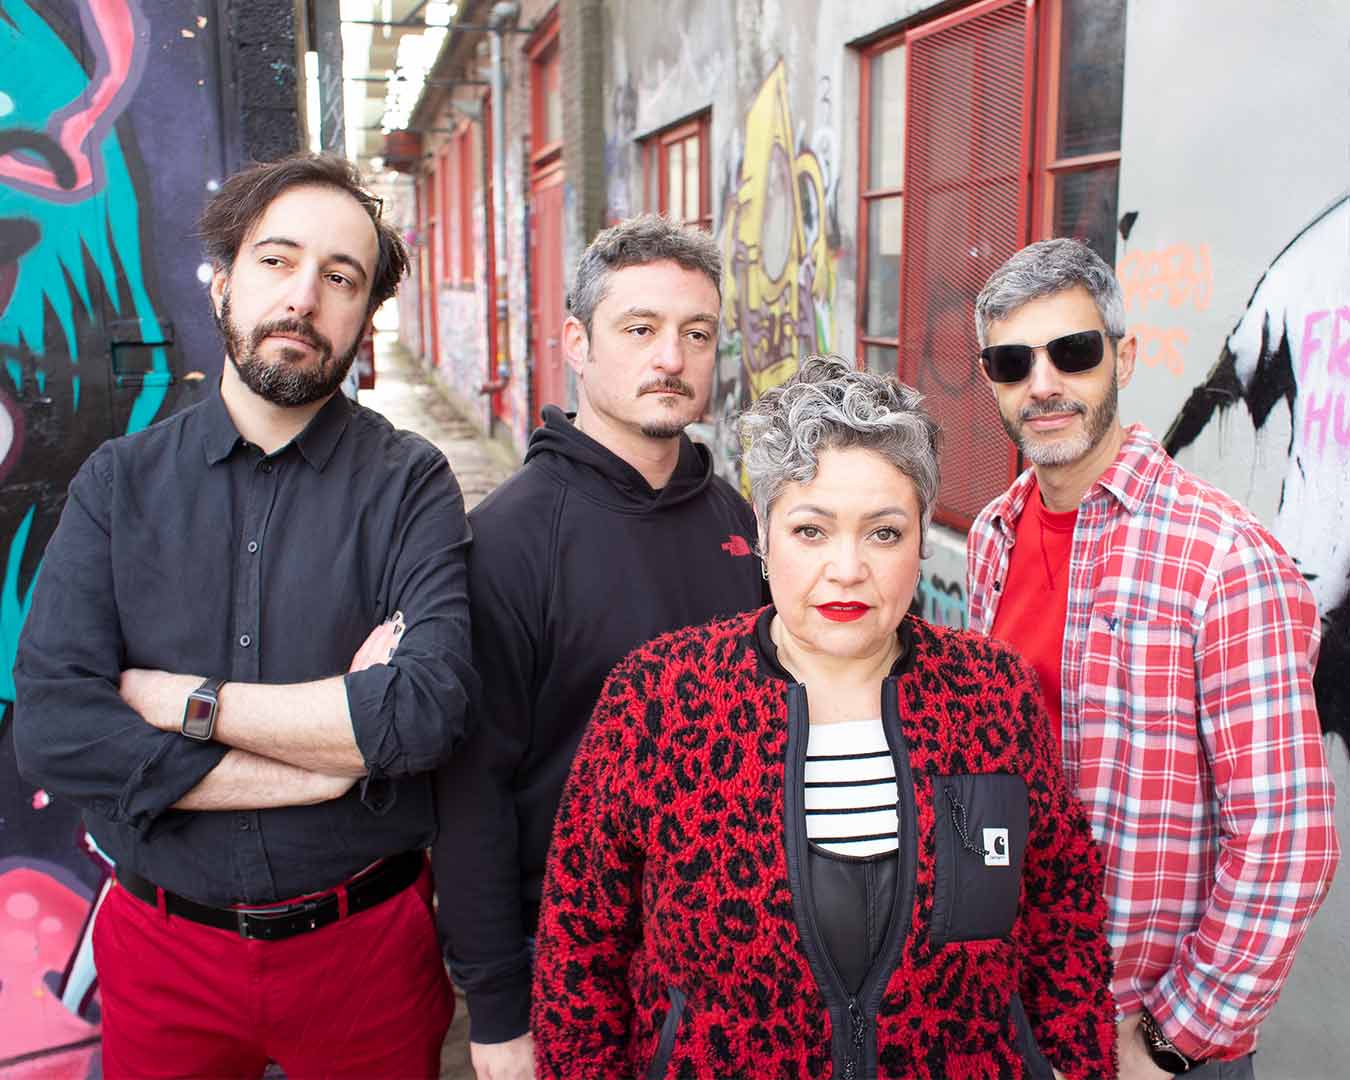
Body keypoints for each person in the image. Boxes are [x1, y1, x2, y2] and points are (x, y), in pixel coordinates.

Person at [14, 153, 475, 1079]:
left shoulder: (411, 484)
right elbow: (58, 731)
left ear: (365, 315)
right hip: (163, 954)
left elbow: (424, 712)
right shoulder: (118, 485)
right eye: (277, 261)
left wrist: (186, 702)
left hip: (365, 957)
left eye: (340, 278)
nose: (303, 298)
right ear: (224, 281)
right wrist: (325, 768)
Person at [532, 356, 1117, 1079]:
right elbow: (577, 953)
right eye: (811, 531)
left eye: (883, 533)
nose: (847, 568)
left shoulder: (992, 695)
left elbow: (1065, 916)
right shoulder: (659, 698)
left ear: (921, 537)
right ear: (763, 536)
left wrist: (1078, 1066)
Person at [965, 239, 1340, 1078]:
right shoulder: (994, 534)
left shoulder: (1223, 559)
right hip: (1019, 1013)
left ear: (1124, 357)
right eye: (1012, 362)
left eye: (1073, 351)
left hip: (1149, 1037)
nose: (1043, 383)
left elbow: (1287, 841)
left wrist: (1171, 1041)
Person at [433, 214, 764, 1080]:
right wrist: (498, 1014)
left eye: (697, 334)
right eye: (640, 329)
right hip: (575, 966)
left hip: (735, 953)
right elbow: (469, 797)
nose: (672, 358)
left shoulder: (737, 519)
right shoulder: (508, 541)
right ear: (578, 344)